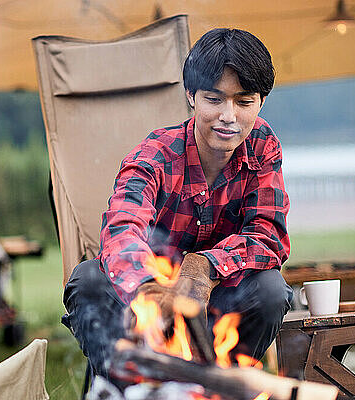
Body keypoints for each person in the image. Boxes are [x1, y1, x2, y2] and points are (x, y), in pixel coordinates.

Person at [62, 28, 294, 380]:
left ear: (260, 102)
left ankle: (221, 386)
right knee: (88, 281)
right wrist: (148, 288)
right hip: (149, 309)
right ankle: (130, 385)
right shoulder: (156, 154)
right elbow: (122, 228)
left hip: (218, 301)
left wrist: (204, 266)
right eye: (214, 100)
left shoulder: (262, 145)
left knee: (271, 290)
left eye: (244, 102)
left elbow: (268, 234)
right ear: (191, 96)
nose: (228, 116)